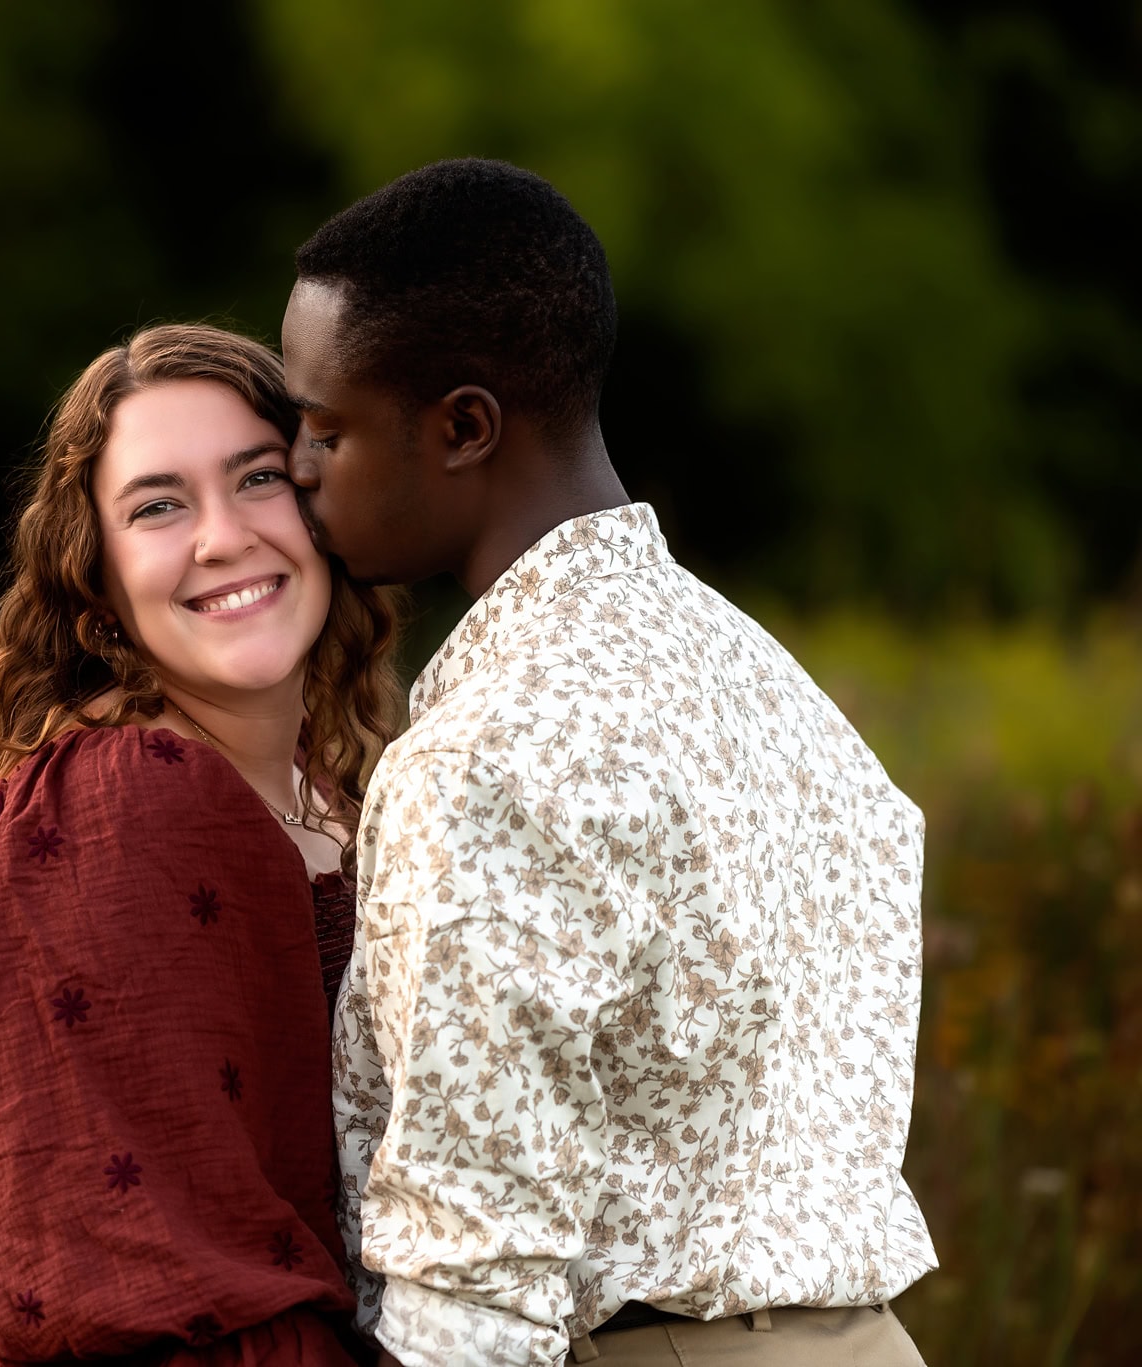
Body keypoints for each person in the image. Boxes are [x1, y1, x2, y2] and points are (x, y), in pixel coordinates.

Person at [281, 160, 937, 1366]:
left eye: (327, 427)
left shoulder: (487, 758)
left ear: (463, 426)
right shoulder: (772, 690)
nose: (298, 467)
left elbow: (471, 1293)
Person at [0, 323, 405, 1364]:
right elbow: (150, 1274)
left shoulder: (330, 796)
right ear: (95, 581)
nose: (221, 536)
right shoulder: (125, 800)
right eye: (158, 505)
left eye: (257, 479)